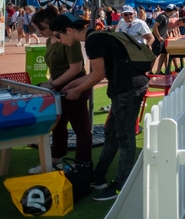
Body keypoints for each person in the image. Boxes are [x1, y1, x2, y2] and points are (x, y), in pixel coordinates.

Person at [50, 13, 150, 202]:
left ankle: (121, 185)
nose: (58, 41)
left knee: (124, 136)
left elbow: (98, 75)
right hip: (126, 87)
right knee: (111, 133)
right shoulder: (96, 36)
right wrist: (72, 85)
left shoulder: (93, 41)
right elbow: (95, 73)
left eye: (58, 36)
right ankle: (99, 176)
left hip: (128, 88)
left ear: (69, 30)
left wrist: (77, 90)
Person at [28, 6, 91, 174]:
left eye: (41, 28)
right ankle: (56, 161)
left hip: (75, 87)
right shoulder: (50, 41)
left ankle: (82, 165)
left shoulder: (70, 40)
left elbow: (76, 68)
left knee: (81, 129)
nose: (39, 32)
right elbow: (55, 69)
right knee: (58, 125)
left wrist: (53, 84)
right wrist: (50, 84)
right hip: (59, 88)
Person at [152, 4, 176, 74]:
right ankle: (149, 71)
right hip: (158, 39)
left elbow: (165, 29)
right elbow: (155, 27)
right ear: (173, 11)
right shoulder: (162, 16)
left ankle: (158, 71)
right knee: (155, 55)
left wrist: (168, 37)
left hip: (163, 39)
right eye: (174, 11)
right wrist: (158, 37)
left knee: (164, 54)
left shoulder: (167, 17)